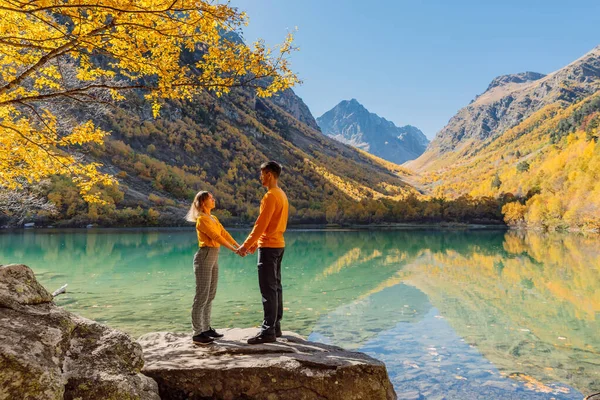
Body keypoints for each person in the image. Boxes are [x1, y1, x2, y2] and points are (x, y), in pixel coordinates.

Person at [237, 161, 289, 344]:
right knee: (276, 287)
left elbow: (261, 225)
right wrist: (253, 245)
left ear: (269, 174)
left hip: (268, 247)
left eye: (262, 174)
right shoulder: (282, 194)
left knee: (268, 289)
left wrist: (245, 245)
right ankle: (276, 327)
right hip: (278, 245)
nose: (260, 177)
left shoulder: (270, 196)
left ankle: (268, 332)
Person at [185, 191, 240, 345]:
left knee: (210, 294)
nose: (214, 199)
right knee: (202, 295)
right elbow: (216, 237)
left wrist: (239, 246)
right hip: (205, 256)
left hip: (214, 256)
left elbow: (224, 233)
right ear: (203, 203)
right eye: (211, 198)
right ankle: (197, 333)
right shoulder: (202, 219)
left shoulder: (213, 218)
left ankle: (206, 328)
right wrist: (235, 250)